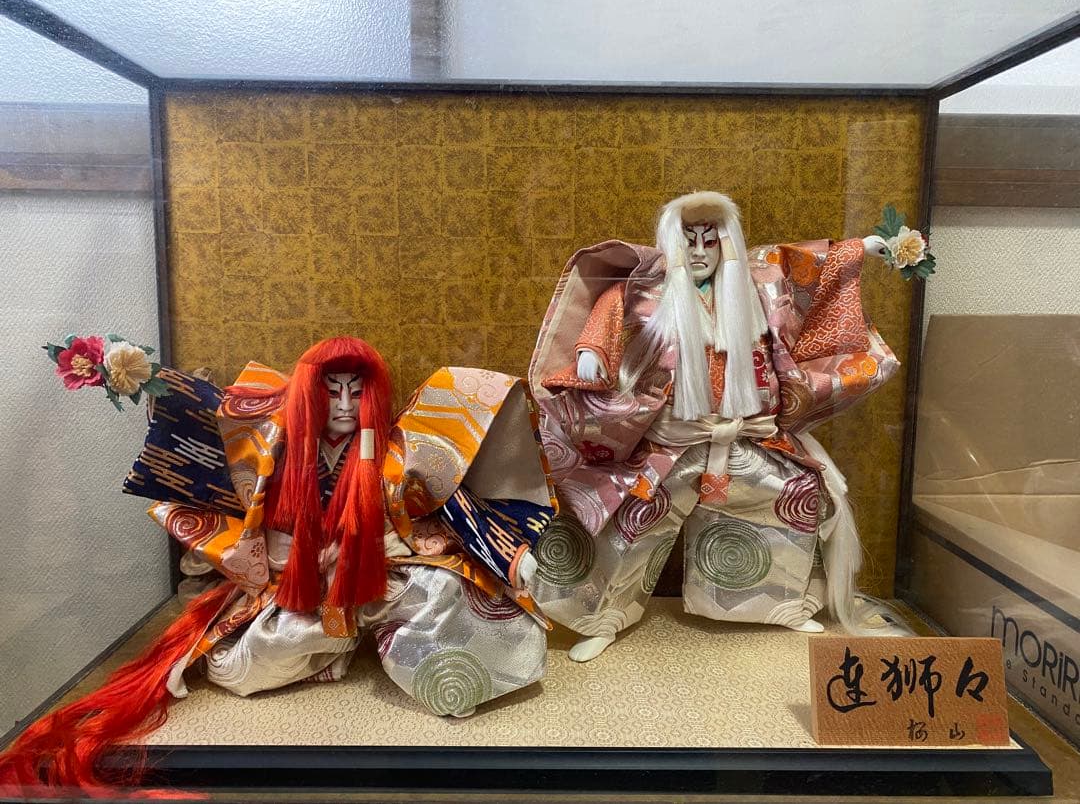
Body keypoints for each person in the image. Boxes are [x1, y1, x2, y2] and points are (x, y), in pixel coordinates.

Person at [1, 337, 554, 789]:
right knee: (244, 668)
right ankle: (329, 653)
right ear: (311, 395)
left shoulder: (387, 450)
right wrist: (136, 374)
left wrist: (509, 555)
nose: (344, 405)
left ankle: (443, 673)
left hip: (385, 573)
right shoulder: (279, 448)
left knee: (447, 596)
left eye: (355, 392)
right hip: (300, 584)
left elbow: (446, 505)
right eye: (331, 392)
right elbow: (212, 413)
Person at [528, 191, 899, 661]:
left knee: (788, 498)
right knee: (632, 524)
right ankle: (602, 618)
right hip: (670, 445)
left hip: (744, 439)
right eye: (690, 242)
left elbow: (803, 265)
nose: (701, 252)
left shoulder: (757, 288)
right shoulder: (647, 291)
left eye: (711, 240)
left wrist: (858, 249)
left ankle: (773, 605)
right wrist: (592, 352)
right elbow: (607, 307)